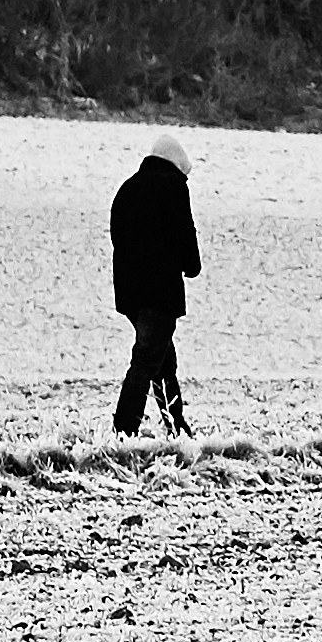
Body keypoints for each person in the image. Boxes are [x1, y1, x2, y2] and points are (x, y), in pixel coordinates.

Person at [108, 130, 199, 435]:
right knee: (146, 360)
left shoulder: (127, 188)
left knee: (162, 359)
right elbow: (184, 233)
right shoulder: (173, 187)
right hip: (159, 292)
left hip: (129, 292)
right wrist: (192, 266)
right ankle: (125, 427)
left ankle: (176, 424)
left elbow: (117, 237)